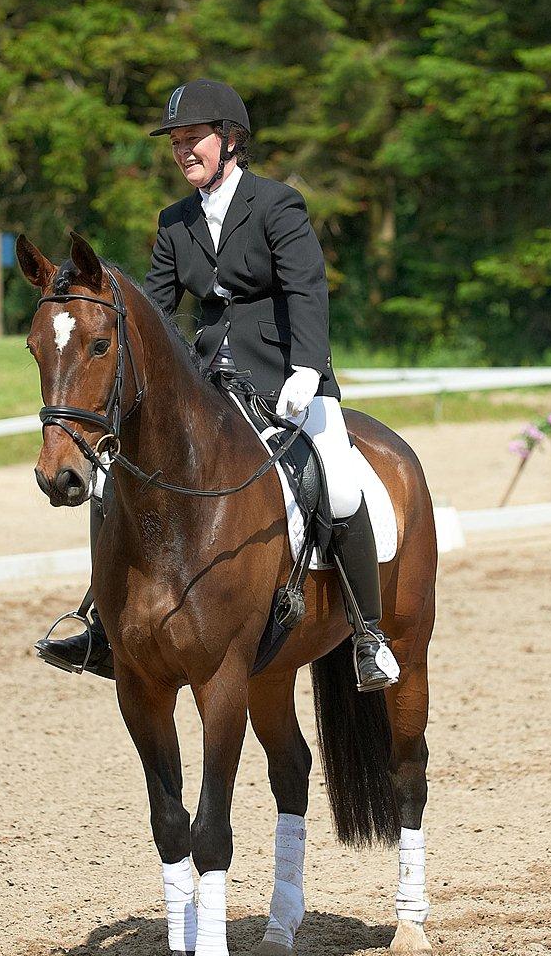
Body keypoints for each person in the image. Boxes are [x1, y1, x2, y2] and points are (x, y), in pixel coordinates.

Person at [36, 79, 398, 693]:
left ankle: (369, 635)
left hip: (288, 380)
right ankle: (102, 626)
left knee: (336, 479)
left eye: (193, 139)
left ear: (230, 141)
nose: (183, 152)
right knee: (114, 485)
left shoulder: (278, 205)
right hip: (211, 388)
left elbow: (307, 289)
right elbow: (152, 307)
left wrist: (307, 370)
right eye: (176, 143)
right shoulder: (175, 221)